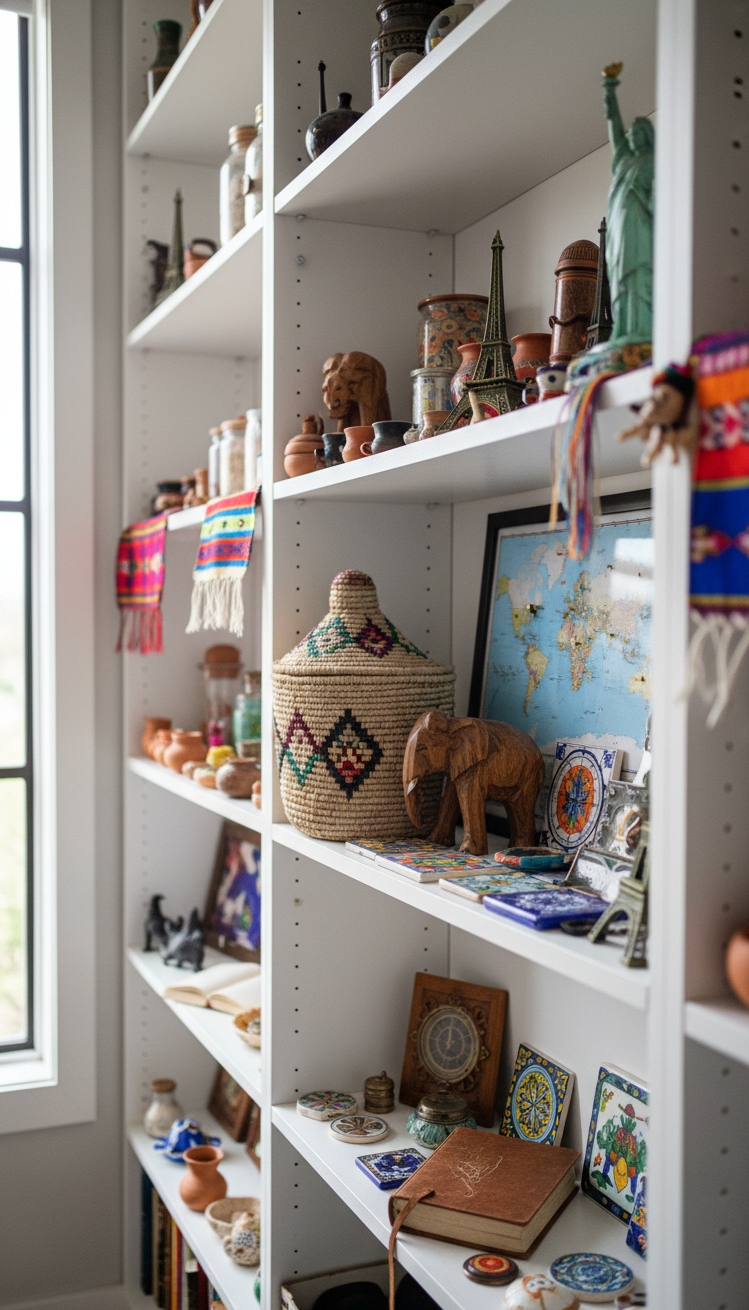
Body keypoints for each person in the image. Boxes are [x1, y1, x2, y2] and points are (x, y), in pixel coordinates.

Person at [602, 63, 655, 346]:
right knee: (621, 276)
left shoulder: (654, 161)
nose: (631, 136)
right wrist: (609, 93)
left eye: (637, 132)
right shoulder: (624, 160)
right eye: (631, 133)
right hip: (621, 226)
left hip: (642, 223)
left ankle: (644, 329)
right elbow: (614, 130)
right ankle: (624, 330)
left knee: (640, 275)